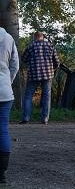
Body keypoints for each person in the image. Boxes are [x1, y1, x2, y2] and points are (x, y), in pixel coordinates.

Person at [21, 31, 60, 124]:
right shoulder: (50, 46)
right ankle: (45, 119)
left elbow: (23, 59)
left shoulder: (30, 46)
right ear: (43, 37)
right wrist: (52, 69)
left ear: (34, 37)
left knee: (28, 96)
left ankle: (25, 118)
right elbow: (57, 62)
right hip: (48, 75)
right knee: (47, 97)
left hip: (33, 75)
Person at [0, 27, 19, 184]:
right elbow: (15, 66)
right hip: (5, 92)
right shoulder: (8, 38)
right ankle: (1, 174)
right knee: (2, 129)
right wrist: (7, 82)